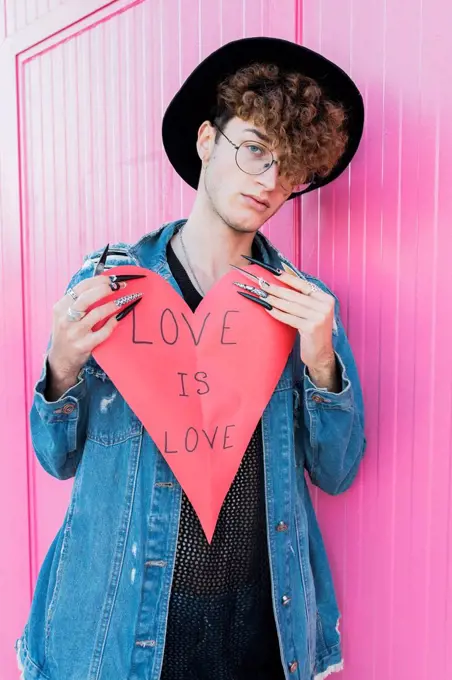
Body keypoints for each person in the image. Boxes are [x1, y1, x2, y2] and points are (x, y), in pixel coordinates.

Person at [15, 36, 366, 680]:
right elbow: (54, 458)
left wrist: (321, 360)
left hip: (261, 628)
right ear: (207, 140)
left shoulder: (302, 307)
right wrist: (61, 367)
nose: (267, 181)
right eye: (255, 148)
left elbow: (337, 472)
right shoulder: (110, 286)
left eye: (288, 168)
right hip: (120, 630)